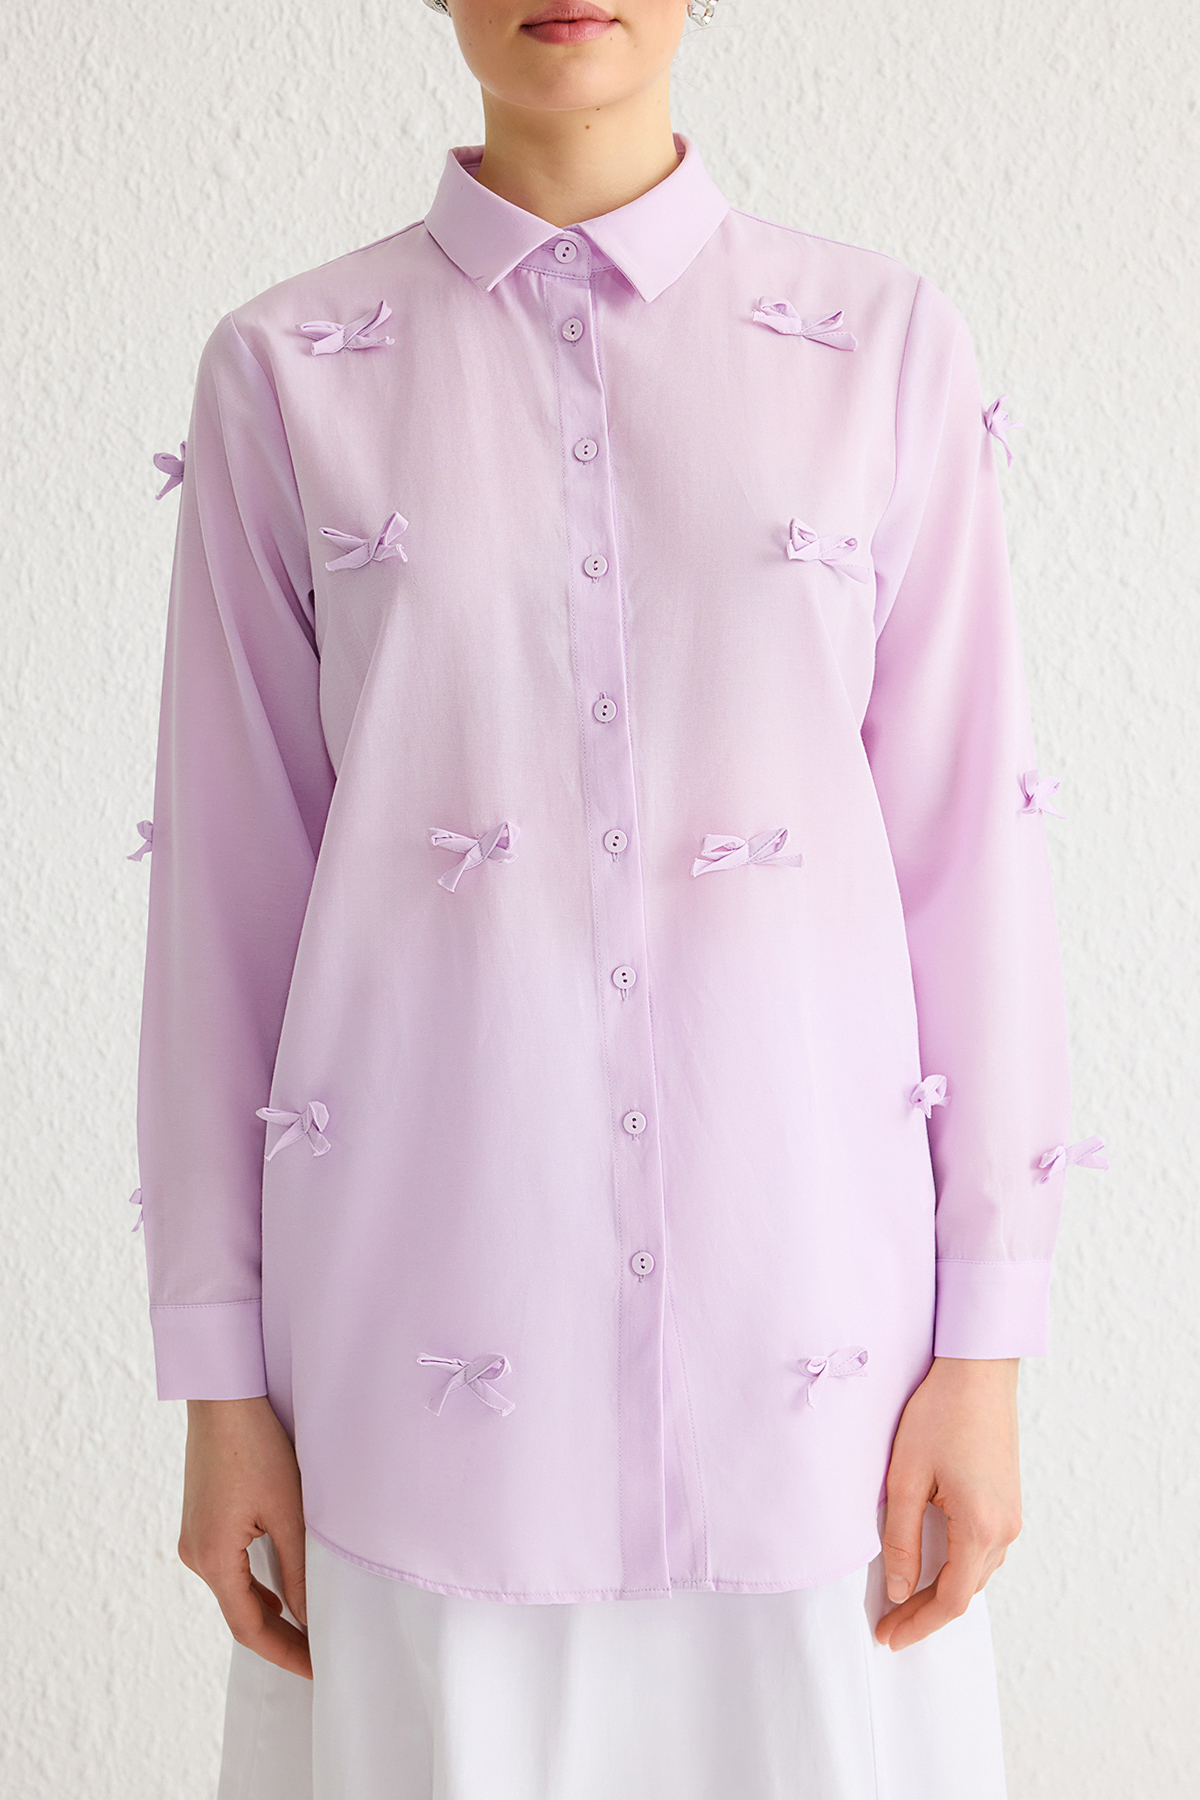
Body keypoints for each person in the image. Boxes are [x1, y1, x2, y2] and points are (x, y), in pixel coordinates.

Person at [132, 3, 1098, 1795]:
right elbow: (226, 903)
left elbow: (970, 863)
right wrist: (218, 1378)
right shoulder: (285, 374)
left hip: (820, 1376)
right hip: (418, 1371)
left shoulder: (882, 349)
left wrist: (989, 1349)